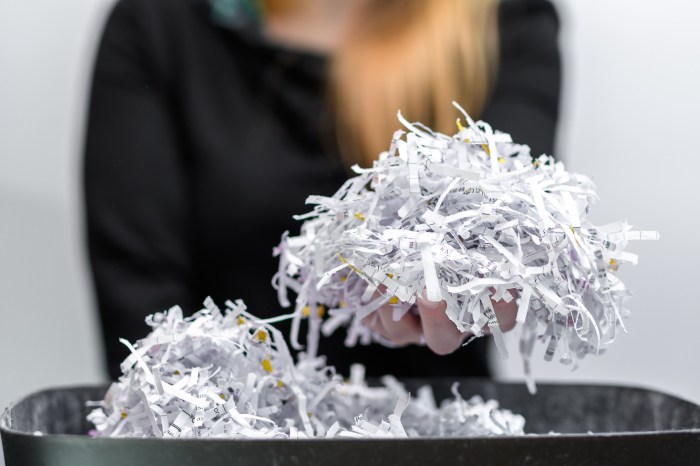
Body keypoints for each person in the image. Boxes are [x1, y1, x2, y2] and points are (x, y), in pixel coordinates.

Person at [84, 0, 561, 380]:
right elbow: (139, 295)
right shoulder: (160, 23)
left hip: (437, 434)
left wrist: (485, 280)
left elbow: (504, 218)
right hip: (222, 442)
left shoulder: (501, 20)